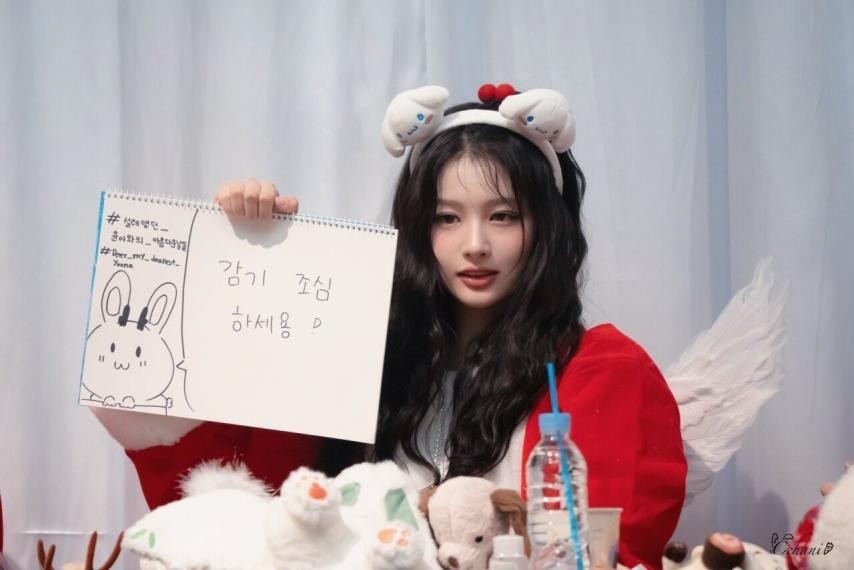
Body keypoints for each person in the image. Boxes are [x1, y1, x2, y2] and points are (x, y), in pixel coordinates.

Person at [93, 84, 686, 569]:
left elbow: (606, 548)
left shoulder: (599, 372)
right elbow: (250, 515)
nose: (475, 245)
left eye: (503, 216)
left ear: (547, 227)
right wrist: (249, 253)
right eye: (446, 218)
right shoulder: (368, 355)